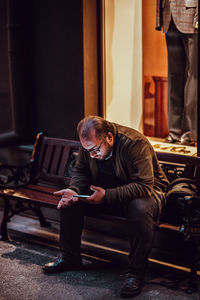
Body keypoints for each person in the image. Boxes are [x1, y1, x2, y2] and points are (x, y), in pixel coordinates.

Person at [43, 116, 169, 298]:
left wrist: (107, 195)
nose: (92, 154)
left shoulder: (134, 143)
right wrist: (74, 189)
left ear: (109, 137)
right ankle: (69, 258)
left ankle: (136, 273)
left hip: (146, 193)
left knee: (139, 209)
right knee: (71, 201)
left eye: (95, 150)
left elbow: (144, 185)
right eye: (88, 150)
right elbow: (81, 171)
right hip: (107, 191)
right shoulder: (89, 145)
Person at [156, 0, 198, 146]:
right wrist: (159, 18)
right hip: (169, 15)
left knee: (193, 76)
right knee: (174, 76)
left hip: (192, 17)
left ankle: (190, 132)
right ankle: (174, 131)